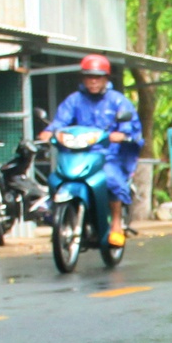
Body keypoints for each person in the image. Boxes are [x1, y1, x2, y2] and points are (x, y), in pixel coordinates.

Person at [38, 53, 141, 246]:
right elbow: (60, 121)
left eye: (98, 77)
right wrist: (49, 131)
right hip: (77, 155)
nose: (93, 81)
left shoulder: (118, 101)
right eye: (89, 77)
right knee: (56, 179)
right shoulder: (74, 100)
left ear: (105, 78)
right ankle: (57, 212)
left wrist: (122, 135)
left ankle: (116, 224)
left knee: (111, 180)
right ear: (83, 79)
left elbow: (130, 128)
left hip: (107, 156)